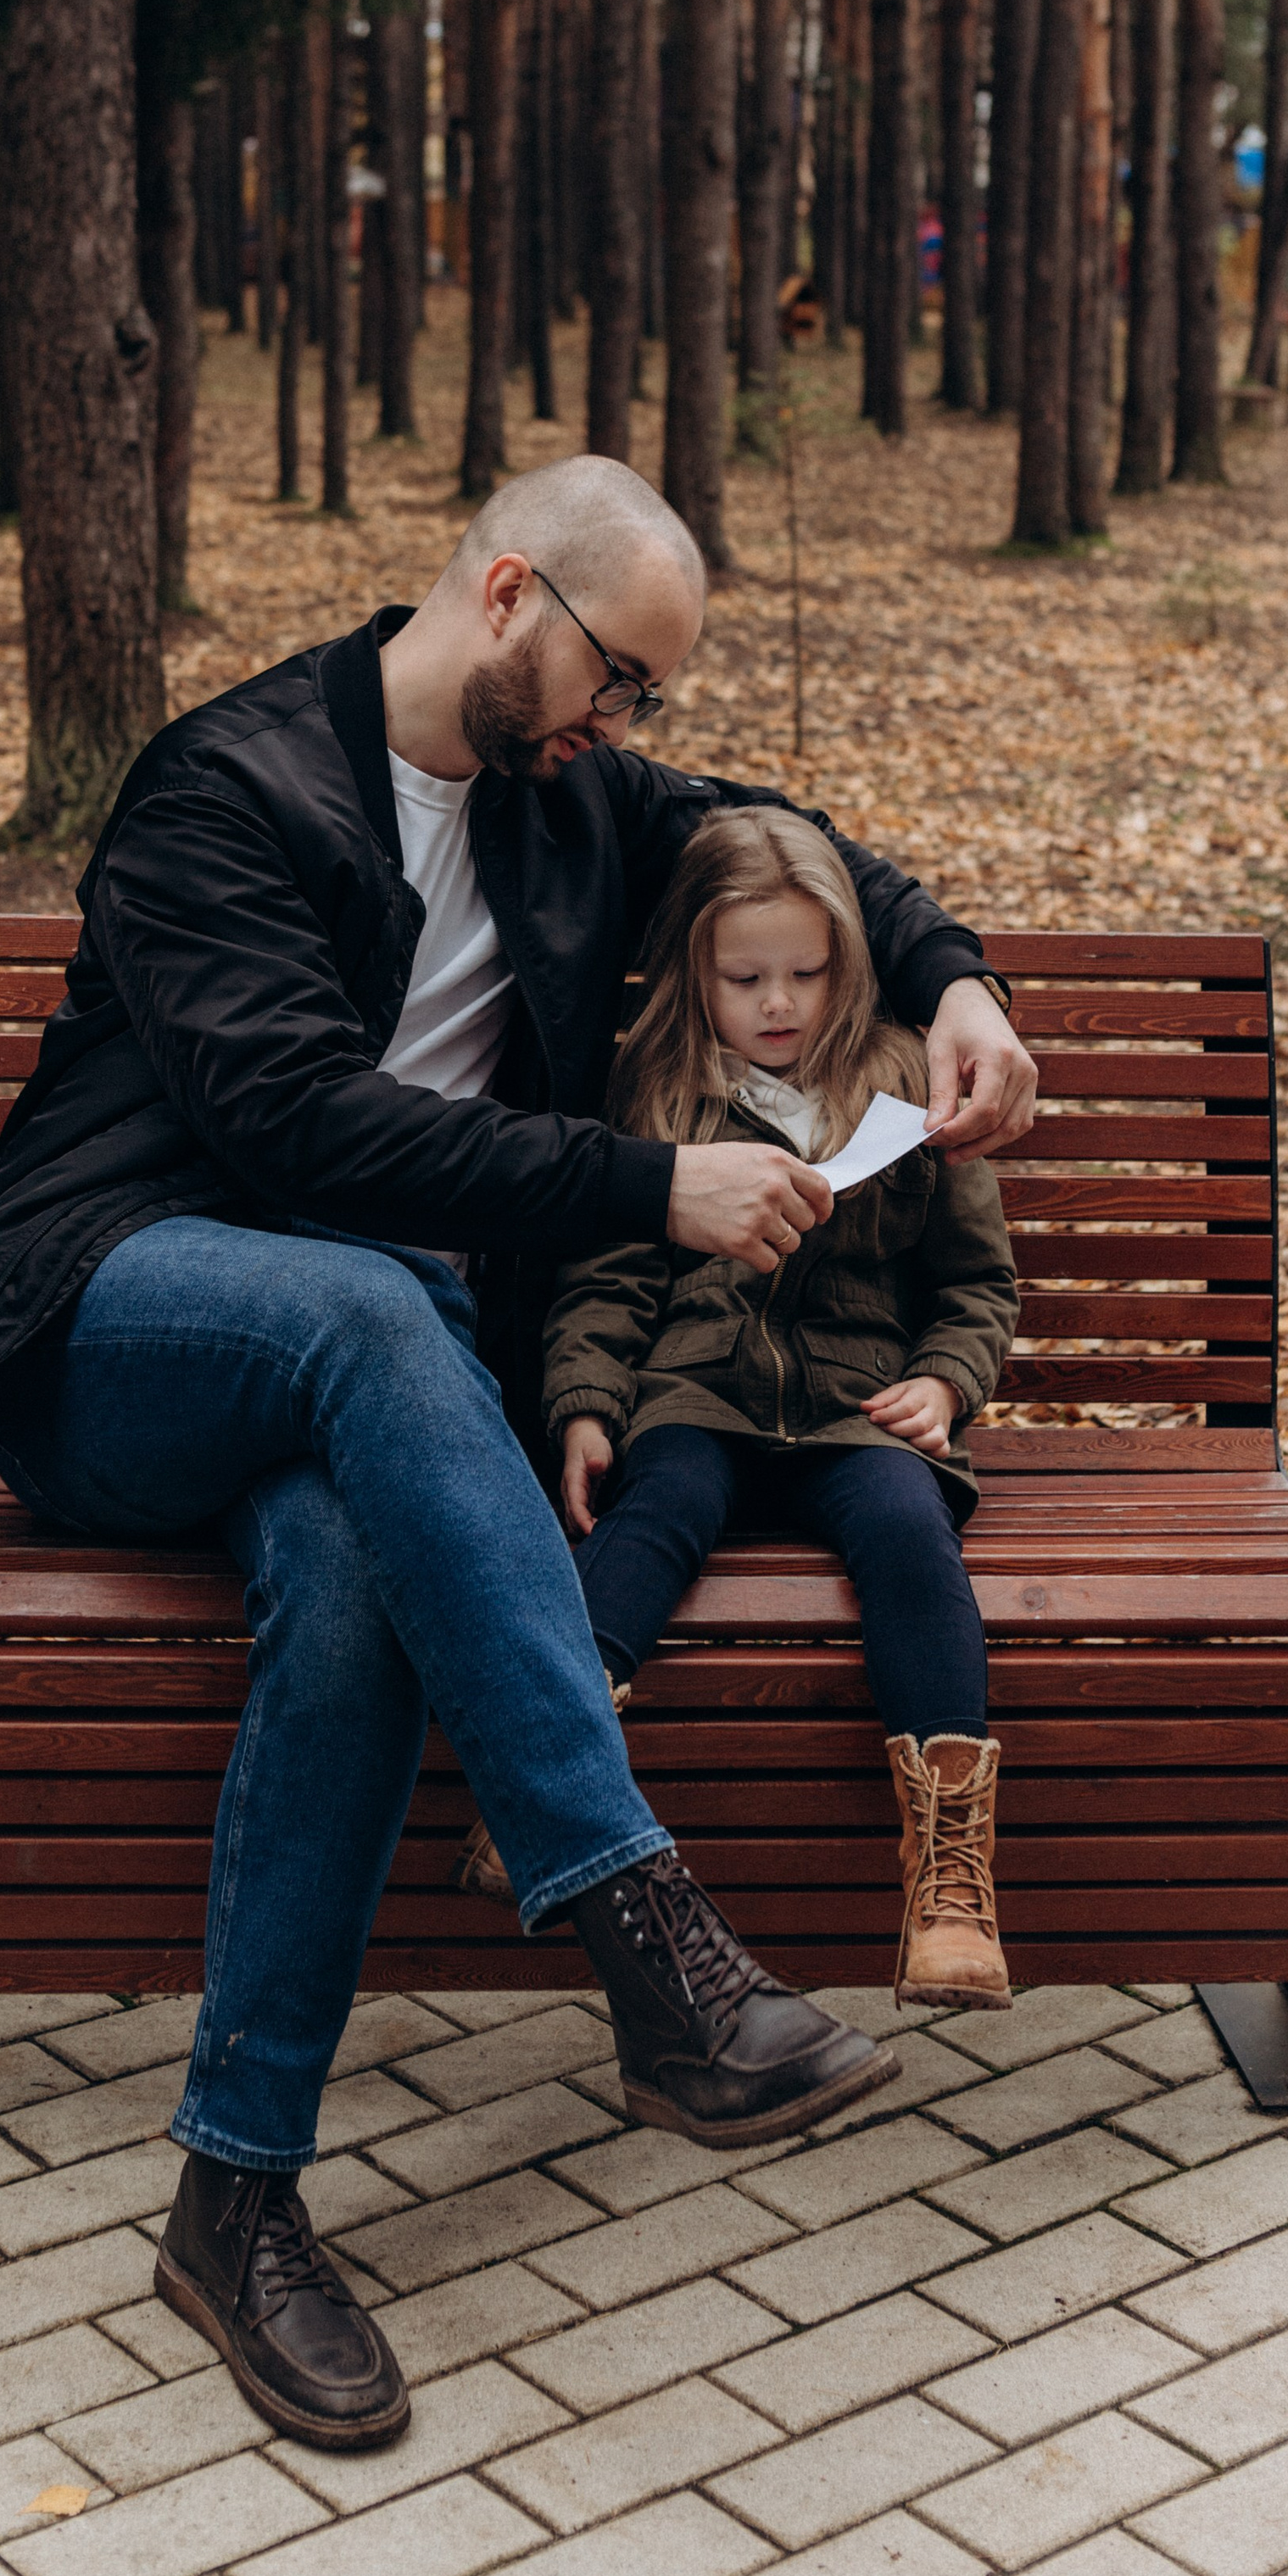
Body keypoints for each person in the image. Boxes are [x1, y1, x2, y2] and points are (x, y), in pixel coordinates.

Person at [0, 454, 1039, 2453]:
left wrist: (952, 977)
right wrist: (644, 1180)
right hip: (119, 1326)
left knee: (353, 1585)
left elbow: (790, 845)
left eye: (645, 705)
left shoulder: (567, 787)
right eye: (618, 678)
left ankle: (233, 2197)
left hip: (384, 1387)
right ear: (509, 595)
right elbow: (302, 1136)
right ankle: (641, 1932)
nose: (627, 729)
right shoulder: (229, 790)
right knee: (358, 1288)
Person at [454, 807, 1020, 2012]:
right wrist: (587, 1407)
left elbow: (973, 1285)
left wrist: (947, 1381)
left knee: (911, 1538)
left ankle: (951, 1883)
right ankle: (543, 1790)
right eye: (746, 976)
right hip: (695, 1397)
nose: (780, 1003)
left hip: (860, 1408)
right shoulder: (658, 1087)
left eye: (808, 973)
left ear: (850, 966)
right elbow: (603, 1279)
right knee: (646, 1521)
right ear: (691, 973)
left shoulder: (901, 1085)